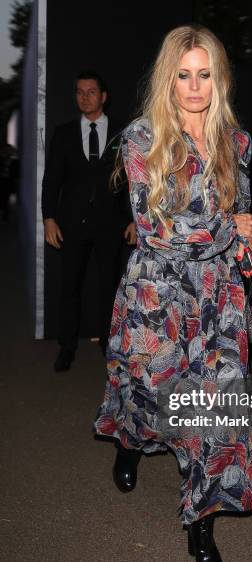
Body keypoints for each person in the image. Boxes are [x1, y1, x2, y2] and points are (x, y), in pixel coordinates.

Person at [93, 25, 252, 562]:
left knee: (215, 420)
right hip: (159, 302)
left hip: (217, 303)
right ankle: (129, 442)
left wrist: (250, 244)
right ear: (170, 79)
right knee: (149, 401)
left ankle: (202, 529)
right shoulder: (142, 140)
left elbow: (244, 211)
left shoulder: (235, 142)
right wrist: (227, 228)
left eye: (205, 74)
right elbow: (156, 230)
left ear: (219, 78)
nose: (195, 87)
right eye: (184, 75)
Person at [41, 71, 137, 371]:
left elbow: (136, 180)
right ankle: (66, 347)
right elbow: (51, 181)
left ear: (103, 96)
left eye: (91, 91)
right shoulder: (64, 133)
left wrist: (136, 219)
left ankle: (110, 344)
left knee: (109, 287)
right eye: (80, 92)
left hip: (112, 225)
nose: (85, 97)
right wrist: (49, 218)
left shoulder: (125, 133)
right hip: (72, 224)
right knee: (70, 286)